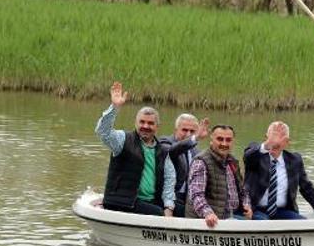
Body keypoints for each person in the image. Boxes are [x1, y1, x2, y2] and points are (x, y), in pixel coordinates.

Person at [95, 82, 175, 216]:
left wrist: (169, 208)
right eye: (142, 122)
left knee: (180, 208)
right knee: (157, 213)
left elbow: (169, 182)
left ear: (157, 127)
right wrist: (114, 107)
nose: (146, 126)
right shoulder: (123, 139)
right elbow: (103, 132)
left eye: (150, 123)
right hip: (122, 202)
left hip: (150, 202)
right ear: (135, 123)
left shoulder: (164, 151)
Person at [244, 121, 314, 220]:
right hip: (255, 209)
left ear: (287, 142)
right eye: (272, 138)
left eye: (279, 139)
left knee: (303, 223)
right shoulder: (256, 153)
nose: (275, 143)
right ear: (266, 138)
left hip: (282, 210)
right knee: (264, 222)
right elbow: (248, 158)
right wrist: (268, 144)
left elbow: (306, 187)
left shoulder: (294, 160)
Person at [186, 124, 252, 228]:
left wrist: (247, 204)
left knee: (262, 223)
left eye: (228, 140)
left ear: (233, 142)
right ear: (211, 140)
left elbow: (243, 190)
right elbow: (196, 194)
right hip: (209, 220)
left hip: (233, 215)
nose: (224, 143)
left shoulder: (233, 161)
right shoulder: (201, 161)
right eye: (220, 139)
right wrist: (208, 213)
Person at [159, 114, 209, 217]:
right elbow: (173, 151)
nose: (188, 134)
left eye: (192, 131)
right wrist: (195, 138)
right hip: (169, 197)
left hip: (189, 198)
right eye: (184, 130)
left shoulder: (196, 151)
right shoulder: (165, 142)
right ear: (176, 130)